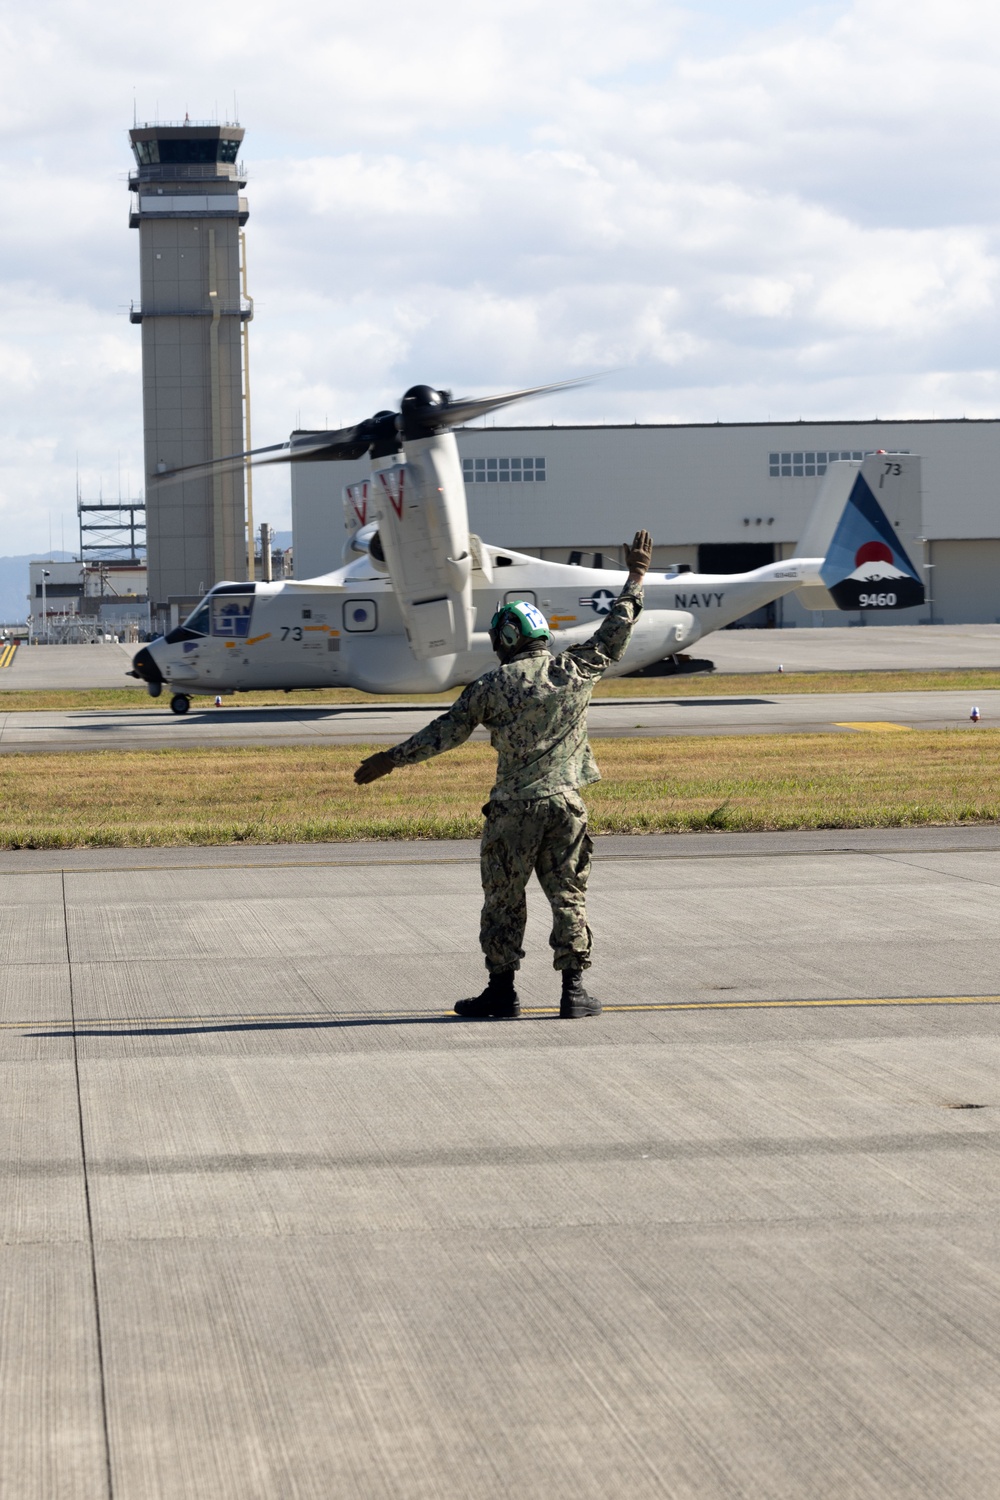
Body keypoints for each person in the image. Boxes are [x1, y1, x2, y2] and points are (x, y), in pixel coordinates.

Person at [354, 529, 653, 1019]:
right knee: (568, 896)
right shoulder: (574, 669)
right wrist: (636, 576)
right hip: (565, 806)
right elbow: (615, 631)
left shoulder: (491, 686)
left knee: (504, 900)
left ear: (506, 640)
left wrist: (391, 759)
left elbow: (444, 732)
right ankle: (573, 992)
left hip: (514, 810)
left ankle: (502, 991)